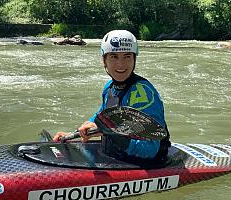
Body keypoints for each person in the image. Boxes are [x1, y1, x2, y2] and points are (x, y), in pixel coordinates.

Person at [54, 30, 170, 164]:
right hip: (113, 156)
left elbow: (150, 150)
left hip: (141, 164)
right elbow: (103, 117)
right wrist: (73, 134)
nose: (121, 65)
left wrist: (111, 133)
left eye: (127, 56)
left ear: (134, 59)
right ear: (104, 60)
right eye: (114, 57)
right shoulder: (109, 87)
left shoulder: (143, 94)